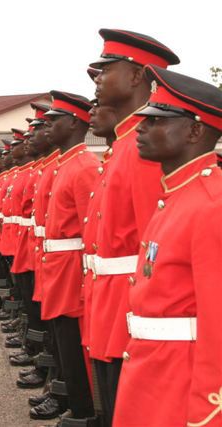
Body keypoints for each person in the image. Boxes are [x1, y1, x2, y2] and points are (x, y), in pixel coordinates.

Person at [113, 66, 222, 427]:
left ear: (194, 130)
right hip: (153, 370)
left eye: (157, 121)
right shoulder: (175, 195)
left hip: (181, 381)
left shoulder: (212, 204)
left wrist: (210, 408)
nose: (140, 128)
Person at [87, 29, 180, 426]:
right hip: (111, 301)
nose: (96, 79)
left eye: (106, 70)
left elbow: (152, 245)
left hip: (129, 305)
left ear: (138, 76)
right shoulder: (124, 144)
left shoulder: (143, 148)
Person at [40, 91, 99, 423]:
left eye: (54, 120)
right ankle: (73, 402)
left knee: (74, 343)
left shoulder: (85, 166)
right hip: (58, 265)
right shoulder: (67, 164)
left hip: (73, 268)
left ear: (75, 123)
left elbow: (92, 230)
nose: (48, 127)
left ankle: (84, 410)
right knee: (63, 338)